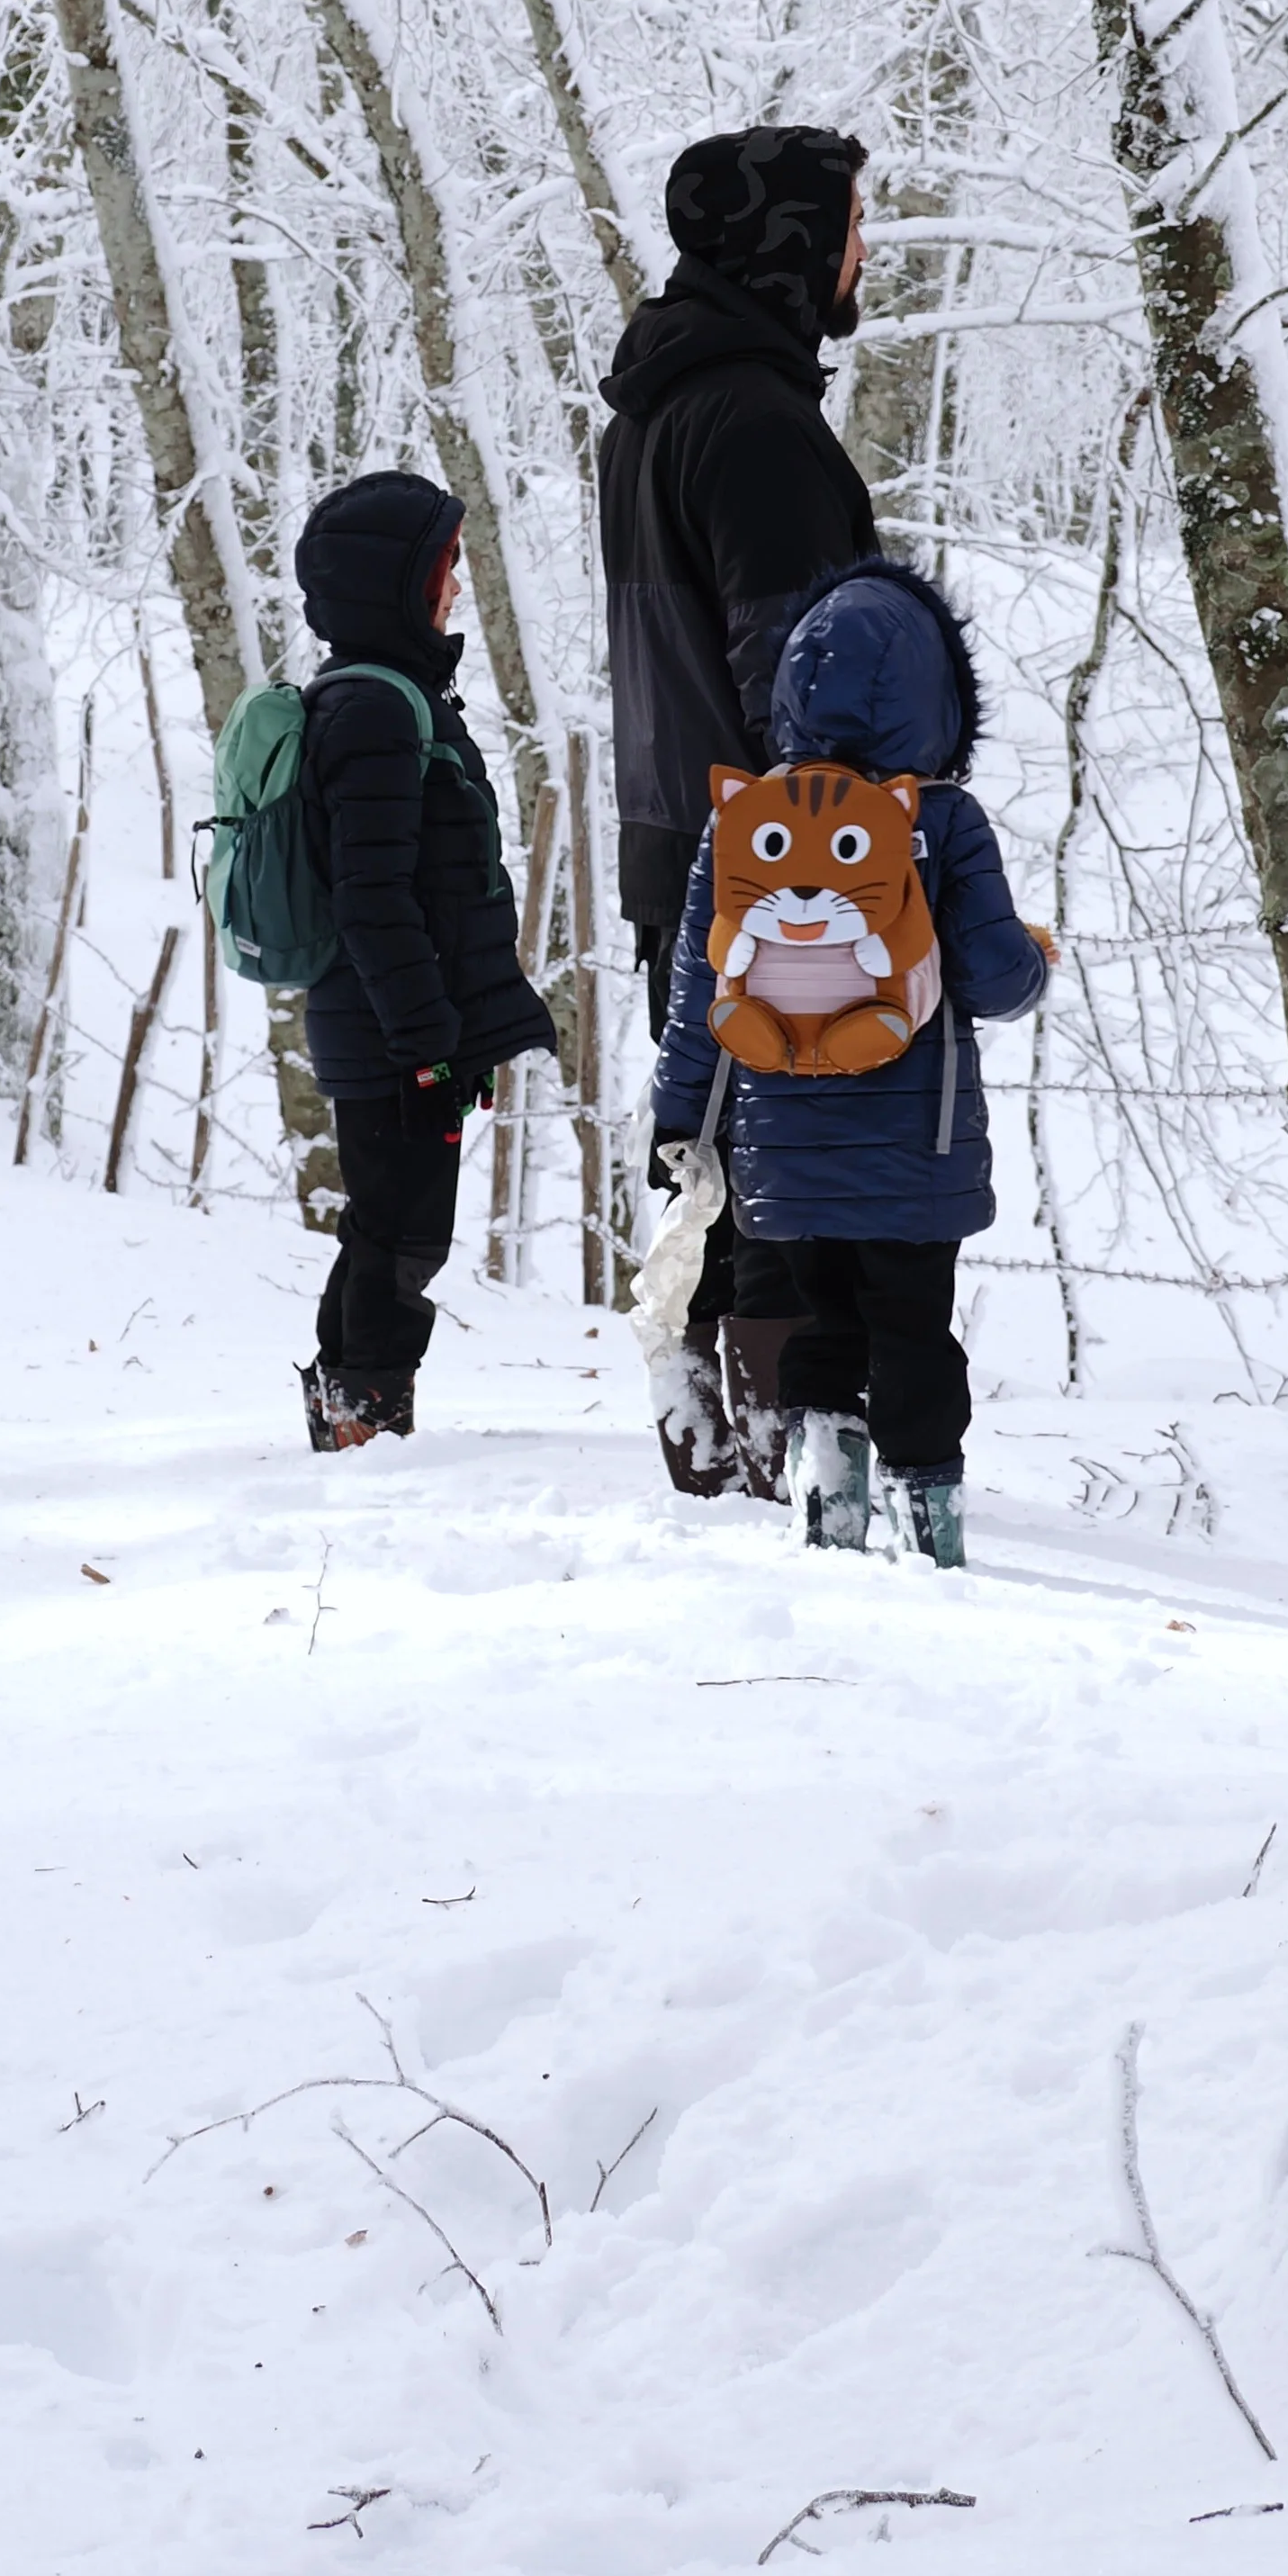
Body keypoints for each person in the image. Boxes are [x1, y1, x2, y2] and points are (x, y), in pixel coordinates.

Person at [644, 560, 1050, 1565]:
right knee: (914, 1335)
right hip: (919, 1150)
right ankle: (931, 1536)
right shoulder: (939, 821)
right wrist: (1034, 959)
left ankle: (828, 1513)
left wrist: (680, 1122)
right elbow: (997, 981)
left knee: (825, 1326)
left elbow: (699, 998)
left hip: (784, 1154)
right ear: (939, 701)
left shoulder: (745, 823)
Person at [598, 125, 878, 1493]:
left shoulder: (656, 408)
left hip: (680, 836)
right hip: (788, 853)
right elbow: (796, 670)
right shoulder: (758, 424)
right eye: (846, 228)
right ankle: (784, 1440)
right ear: (790, 246)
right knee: (790, 1162)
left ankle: (701, 1409)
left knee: (708, 1144)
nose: (860, 254)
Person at [289, 469, 555, 1449]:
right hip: (391, 1029)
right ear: (388, 585)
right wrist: (429, 1039)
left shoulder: (394, 698)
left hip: (398, 1024)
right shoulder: (374, 711)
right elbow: (373, 896)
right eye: (442, 569)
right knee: (400, 1232)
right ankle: (364, 1421)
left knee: (392, 1225)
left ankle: (350, 1411)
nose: (456, 589)